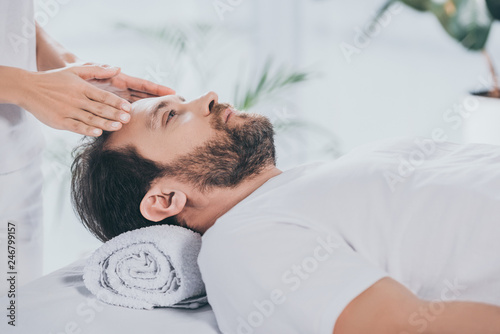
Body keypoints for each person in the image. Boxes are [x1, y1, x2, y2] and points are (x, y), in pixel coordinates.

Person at [70, 92, 500, 334]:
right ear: (164, 200)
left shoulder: (311, 183)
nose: (208, 97)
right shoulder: (241, 243)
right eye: (172, 116)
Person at [0, 0, 174, 296]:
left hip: (15, 161)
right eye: (170, 116)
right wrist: (23, 85)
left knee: (13, 312)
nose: (211, 96)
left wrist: (58, 63)